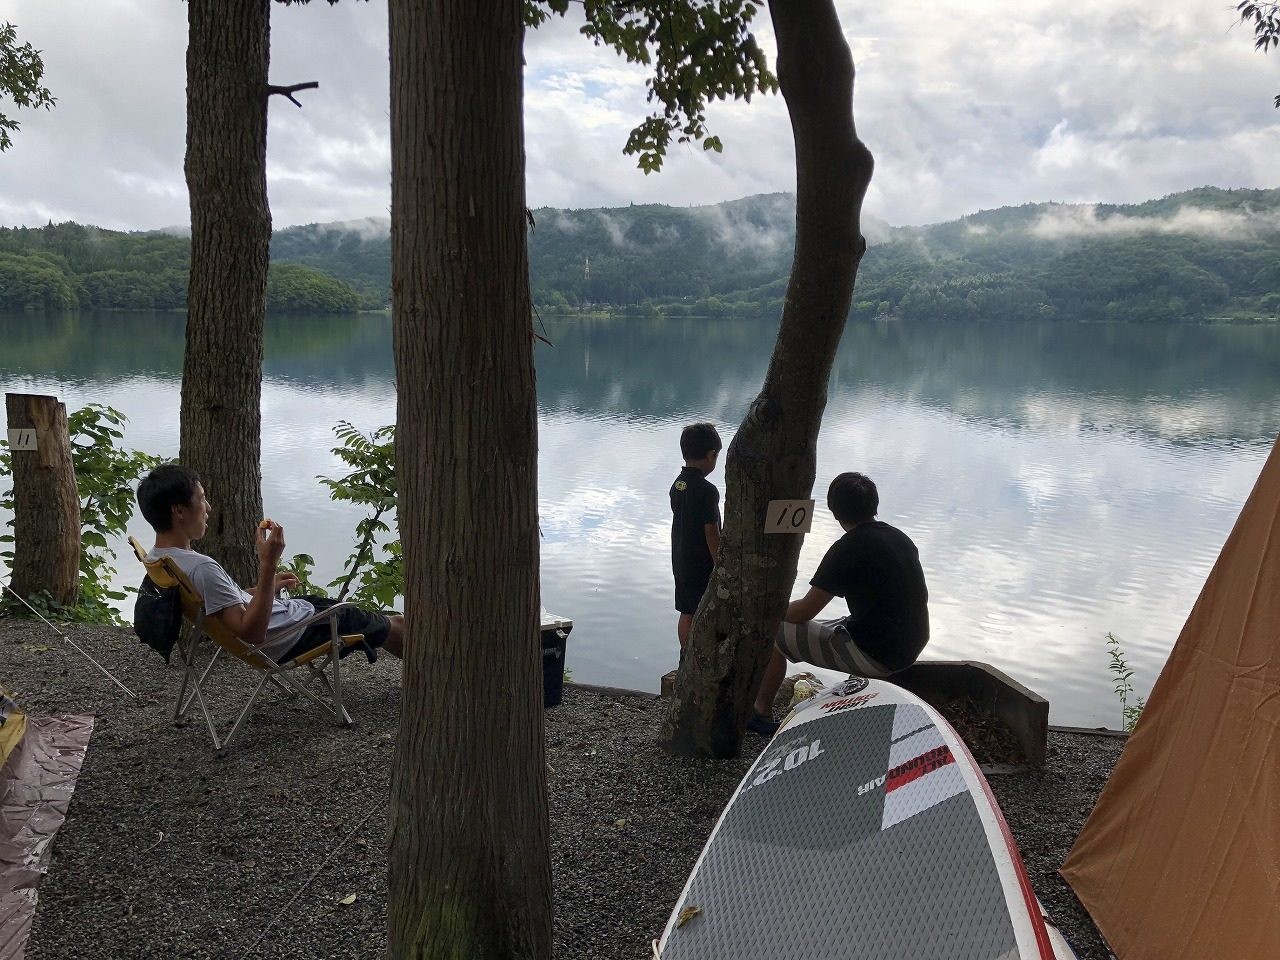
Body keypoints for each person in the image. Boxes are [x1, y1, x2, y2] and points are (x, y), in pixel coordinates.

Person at [136, 463, 404, 664]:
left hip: (288, 618)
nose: (208, 508)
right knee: (394, 625)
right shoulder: (201, 568)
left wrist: (268, 586)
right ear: (179, 510)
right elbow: (251, 632)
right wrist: (268, 564)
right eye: (201, 499)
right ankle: (432, 676)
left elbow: (226, 605)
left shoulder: (160, 559)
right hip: (289, 636)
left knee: (390, 621)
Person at [752, 471, 929, 719]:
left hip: (879, 654)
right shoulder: (899, 537)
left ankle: (760, 713)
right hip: (911, 643)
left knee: (773, 632)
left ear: (834, 511)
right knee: (831, 623)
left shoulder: (848, 548)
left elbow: (805, 611)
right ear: (874, 504)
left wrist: (767, 610)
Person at [670, 422, 723, 650]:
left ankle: (686, 654)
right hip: (701, 563)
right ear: (711, 455)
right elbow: (711, 531)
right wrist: (722, 563)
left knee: (687, 610)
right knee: (703, 609)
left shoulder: (678, 485)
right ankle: (699, 655)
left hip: (681, 558)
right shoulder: (707, 490)